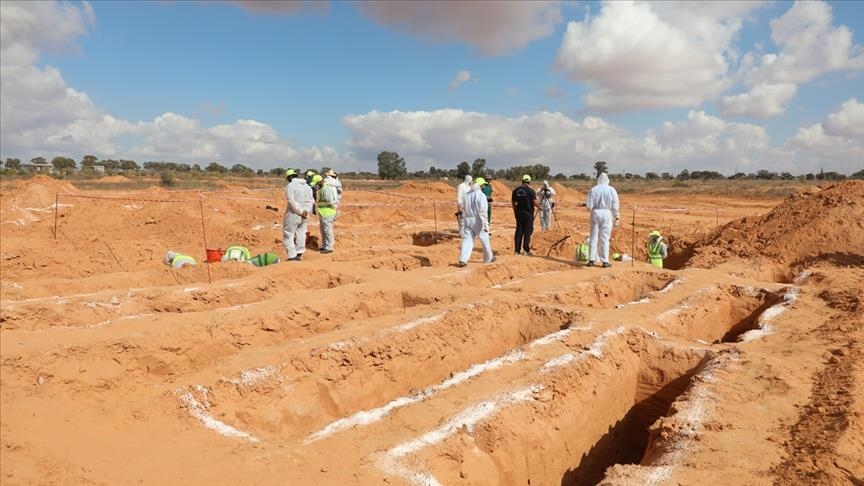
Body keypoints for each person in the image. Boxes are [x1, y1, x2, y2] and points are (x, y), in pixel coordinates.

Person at [457, 178, 494, 267]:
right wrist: (485, 223)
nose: (484, 186)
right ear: (481, 185)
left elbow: (463, 206)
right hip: (478, 219)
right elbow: (483, 210)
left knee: (467, 239)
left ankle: (463, 259)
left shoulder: (466, 195)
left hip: (467, 219)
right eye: (483, 185)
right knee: (484, 238)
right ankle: (488, 258)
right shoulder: (481, 195)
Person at [585, 172, 620, 268]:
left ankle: (591, 260)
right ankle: (605, 261)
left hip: (595, 213)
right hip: (607, 213)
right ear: (607, 180)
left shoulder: (593, 189)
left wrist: (593, 209)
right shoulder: (612, 190)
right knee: (605, 238)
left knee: (593, 237)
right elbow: (615, 206)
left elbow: (588, 206)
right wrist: (616, 217)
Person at [283, 168, 314, 261]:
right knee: (301, 232)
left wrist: (300, 211)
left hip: (294, 214)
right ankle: (299, 253)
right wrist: (306, 211)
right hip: (305, 214)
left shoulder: (291, 185)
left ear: (290, 177)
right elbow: (311, 201)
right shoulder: (307, 186)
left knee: (288, 233)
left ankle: (292, 256)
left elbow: (291, 201)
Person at [511, 174, 540, 255]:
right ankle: (526, 250)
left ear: (522, 181)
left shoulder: (516, 190)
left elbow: (513, 203)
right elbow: (534, 202)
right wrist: (540, 207)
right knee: (527, 231)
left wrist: (515, 211)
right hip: (528, 214)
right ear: (529, 182)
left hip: (519, 213)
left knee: (519, 231)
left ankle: (517, 250)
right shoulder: (531, 191)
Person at [317, 170, 340, 254]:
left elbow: (330, 201)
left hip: (328, 211)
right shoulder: (324, 187)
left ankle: (329, 247)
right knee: (323, 229)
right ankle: (324, 245)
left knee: (327, 229)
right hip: (323, 211)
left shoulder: (327, 188)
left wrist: (335, 208)